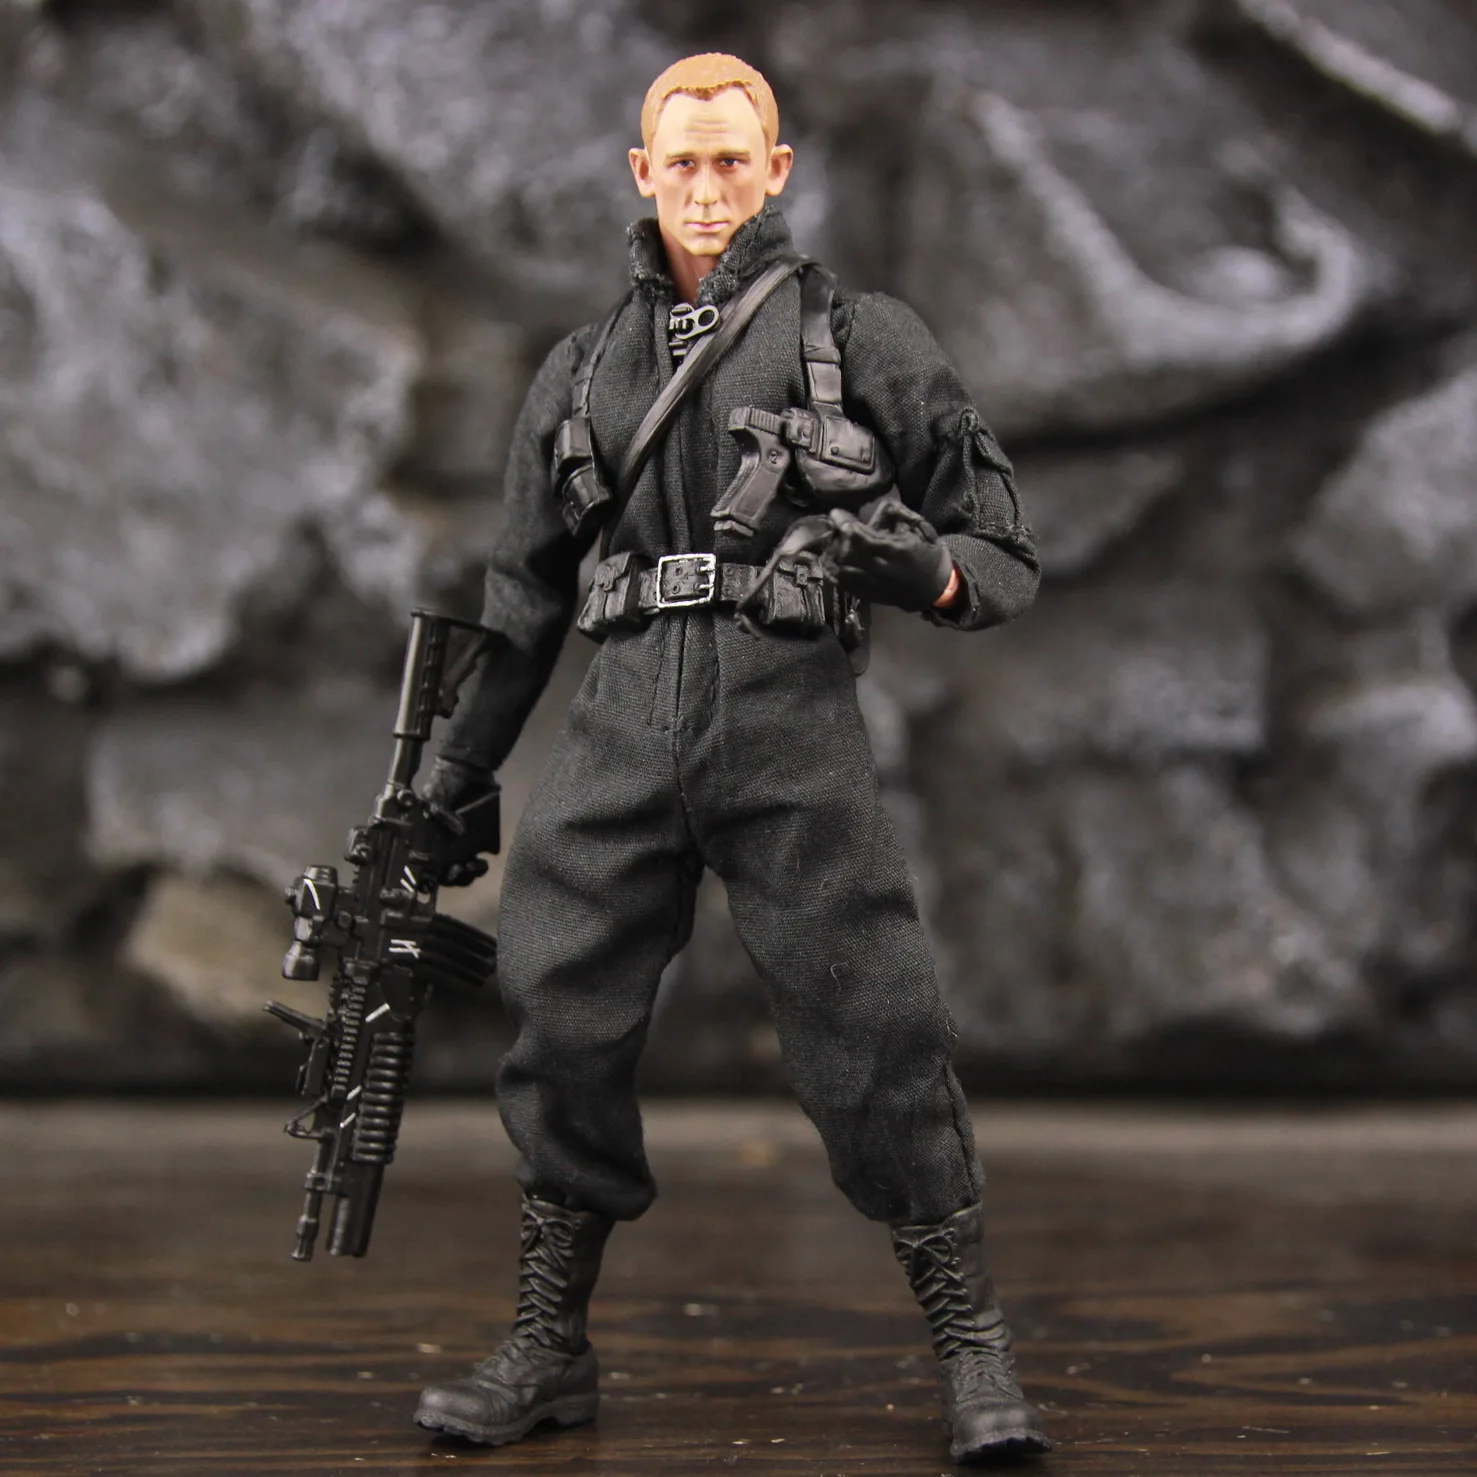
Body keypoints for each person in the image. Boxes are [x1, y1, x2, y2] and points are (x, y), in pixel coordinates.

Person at [413, 52, 1047, 1464]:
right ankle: (549, 1344)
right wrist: (457, 771)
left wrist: (931, 571)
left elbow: (1003, 547)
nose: (707, 190)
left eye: (732, 162)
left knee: (873, 1022)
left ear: (777, 171)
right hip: (623, 718)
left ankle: (974, 1349)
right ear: (643, 174)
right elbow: (520, 603)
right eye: (683, 163)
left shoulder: (860, 338)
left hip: (787, 717)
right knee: (559, 1015)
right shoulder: (582, 371)